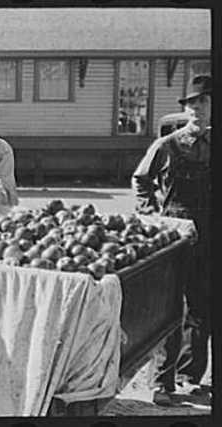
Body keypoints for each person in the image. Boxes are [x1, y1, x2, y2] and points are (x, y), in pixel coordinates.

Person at [131, 74, 211, 404]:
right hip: (175, 233)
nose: (195, 109)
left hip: (210, 234)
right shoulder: (168, 145)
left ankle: (190, 376)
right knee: (168, 309)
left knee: (203, 306)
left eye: (202, 102)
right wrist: (153, 216)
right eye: (190, 103)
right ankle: (162, 383)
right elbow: (141, 180)